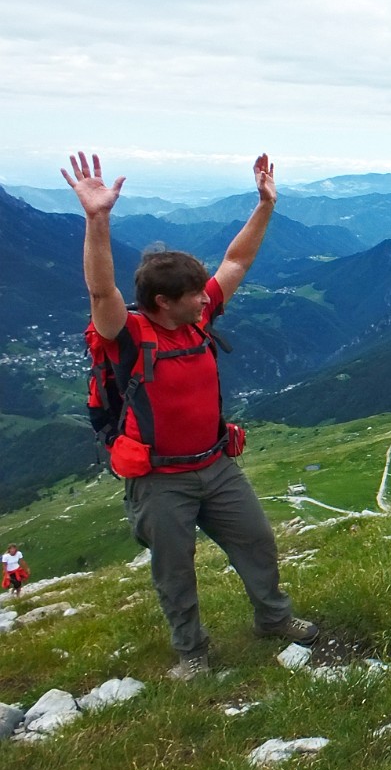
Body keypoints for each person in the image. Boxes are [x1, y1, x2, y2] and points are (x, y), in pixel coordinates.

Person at [63, 151, 318, 680]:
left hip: (215, 463)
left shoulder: (197, 319)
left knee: (257, 541)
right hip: (160, 478)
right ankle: (192, 652)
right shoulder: (126, 337)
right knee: (174, 570)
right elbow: (100, 290)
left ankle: (274, 620)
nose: (208, 298)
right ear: (161, 301)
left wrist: (265, 205)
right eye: (194, 294)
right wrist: (97, 219)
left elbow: (238, 261)